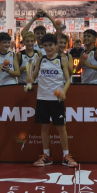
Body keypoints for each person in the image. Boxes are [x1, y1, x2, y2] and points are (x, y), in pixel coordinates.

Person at [27, 33, 77, 167]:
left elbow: (68, 81)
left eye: (51, 45)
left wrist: (63, 92)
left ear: (56, 46)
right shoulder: (40, 60)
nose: (48, 48)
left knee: (61, 128)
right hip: (42, 99)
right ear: (42, 47)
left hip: (57, 101)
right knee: (44, 128)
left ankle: (66, 156)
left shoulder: (62, 60)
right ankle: (47, 156)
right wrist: (30, 80)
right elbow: (34, 77)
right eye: (45, 46)